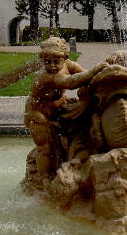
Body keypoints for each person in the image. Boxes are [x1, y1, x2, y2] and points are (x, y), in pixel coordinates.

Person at [24, 37, 106, 182]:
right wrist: (95, 70)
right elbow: (70, 82)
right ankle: (45, 180)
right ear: (42, 59)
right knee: (45, 146)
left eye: (57, 61)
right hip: (38, 112)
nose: (52, 66)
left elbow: (83, 74)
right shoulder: (45, 75)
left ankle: (71, 158)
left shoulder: (68, 64)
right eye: (47, 61)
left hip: (58, 106)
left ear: (65, 57)